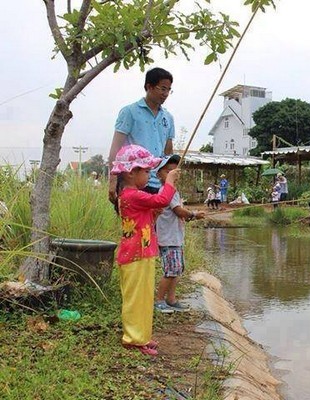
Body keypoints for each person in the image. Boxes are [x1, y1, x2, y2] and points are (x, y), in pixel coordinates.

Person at [111, 144, 180, 357]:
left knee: (142, 298)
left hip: (142, 254)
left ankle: (141, 336)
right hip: (135, 256)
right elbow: (162, 199)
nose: (149, 176)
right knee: (135, 299)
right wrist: (169, 182)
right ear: (132, 173)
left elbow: (148, 218)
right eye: (147, 171)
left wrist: (155, 214)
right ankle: (133, 339)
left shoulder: (132, 196)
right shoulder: (131, 195)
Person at [108, 67, 175, 204]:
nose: (166, 93)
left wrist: (169, 180)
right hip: (132, 182)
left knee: (151, 225)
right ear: (149, 86)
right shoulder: (129, 112)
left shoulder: (168, 118)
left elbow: (168, 152)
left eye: (169, 90)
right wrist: (113, 180)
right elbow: (116, 149)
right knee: (133, 224)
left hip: (157, 183)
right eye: (162, 88)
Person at [154, 154, 203, 313]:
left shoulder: (173, 192)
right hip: (169, 240)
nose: (172, 173)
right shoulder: (168, 192)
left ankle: (171, 299)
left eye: (175, 171)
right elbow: (178, 211)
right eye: (168, 171)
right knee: (170, 271)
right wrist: (193, 214)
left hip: (175, 238)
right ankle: (159, 300)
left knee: (177, 270)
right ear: (159, 175)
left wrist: (191, 216)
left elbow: (178, 214)